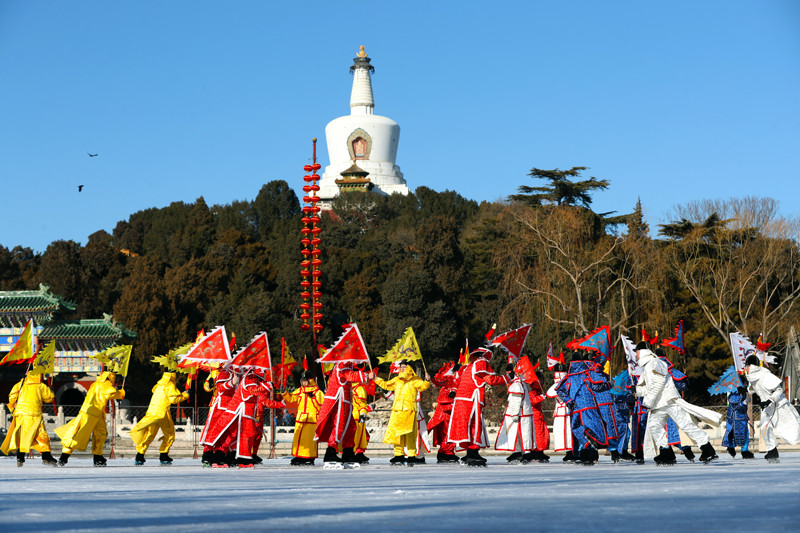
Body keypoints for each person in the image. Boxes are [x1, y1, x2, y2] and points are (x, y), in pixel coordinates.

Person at [635, 342, 720, 464]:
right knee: (654, 426)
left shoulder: (655, 363)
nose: (636, 355)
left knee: (685, 424)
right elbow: (650, 387)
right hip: (659, 404)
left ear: (642, 351)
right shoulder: (648, 366)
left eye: (637, 351)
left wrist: (648, 401)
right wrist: (637, 391)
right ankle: (666, 452)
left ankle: (707, 449)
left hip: (669, 400)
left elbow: (658, 383)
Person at [446, 348, 509, 466]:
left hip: (462, 400)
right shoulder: (481, 362)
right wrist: (508, 377)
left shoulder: (467, 366)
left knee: (466, 427)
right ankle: (473, 452)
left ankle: (470, 451)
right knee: (475, 425)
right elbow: (490, 379)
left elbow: (457, 381)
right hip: (471, 399)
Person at [555, 352, 618, 465]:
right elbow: (596, 387)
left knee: (577, 430)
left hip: (575, 408)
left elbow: (559, 389)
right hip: (590, 406)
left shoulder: (568, 378)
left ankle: (584, 451)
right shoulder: (587, 375)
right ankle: (591, 450)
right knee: (593, 429)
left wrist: (568, 401)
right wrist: (609, 385)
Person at [55, 371, 125, 466]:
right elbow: (109, 393)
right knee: (77, 434)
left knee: (100, 433)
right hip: (91, 413)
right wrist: (120, 393)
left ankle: (98, 457)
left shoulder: (95, 383)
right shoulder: (106, 383)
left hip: (95, 412)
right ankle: (64, 456)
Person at [743, 354, 800, 463]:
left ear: (753, 366)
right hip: (767, 407)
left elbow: (779, 390)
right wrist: (743, 388)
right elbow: (753, 390)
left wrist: (770, 400)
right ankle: (772, 451)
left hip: (779, 406)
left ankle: (773, 451)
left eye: (747, 365)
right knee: (765, 427)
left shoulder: (765, 375)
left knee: (792, 428)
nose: (746, 368)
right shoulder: (752, 377)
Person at [373, 360, 431, 466]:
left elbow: (423, 386)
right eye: (401, 367)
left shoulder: (415, 380)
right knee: (396, 434)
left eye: (404, 366)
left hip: (409, 410)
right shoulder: (397, 379)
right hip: (397, 410)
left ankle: (411, 455)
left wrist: (427, 381)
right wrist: (375, 378)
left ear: (410, 368)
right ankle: (398, 455)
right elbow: (386, 385)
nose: (402, 369)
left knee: (410, 433)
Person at [314, 361, 370, 465]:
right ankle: (331, 451)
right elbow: (348, 374)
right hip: (339, 399)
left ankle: (348, 452)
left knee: (351, 427)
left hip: (346, 400)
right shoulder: (343, 363)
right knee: (338, 425)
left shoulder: (348, 363)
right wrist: (366, 375)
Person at [129, 372, 189, 466]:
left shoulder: (159, 385)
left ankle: (140, 455)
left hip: (152, 412)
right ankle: (164, 455)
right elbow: (173, 400)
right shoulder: (170, 385)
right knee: (169, 434)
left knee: (149, 434)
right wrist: (185, 395)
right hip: (163, 413)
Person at [1, 374, 58, 467]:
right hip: (35, 413)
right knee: (41, 435)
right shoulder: (40, 385)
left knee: (24, 435)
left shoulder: (20, 384)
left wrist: (13, 408)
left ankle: (21, 456)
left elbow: (11, 397)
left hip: (21, 414)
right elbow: (48, 398)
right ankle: (46, 456)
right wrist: (51, 391)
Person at [495, 363, 536, 463]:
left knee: (524, 433)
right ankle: (518, 451)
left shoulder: (516, 384)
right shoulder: (518, 382)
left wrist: (514, 413)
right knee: (516, 434)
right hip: (520, 413)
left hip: (521, 414)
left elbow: (517, 400)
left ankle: (526, 453)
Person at [284, 371, 326, 465]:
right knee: (299, 439)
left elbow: (322, 405)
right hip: (301, 418)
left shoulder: (317, 392)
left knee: (309, 440)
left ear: (310, 381)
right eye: (302, 381)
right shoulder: (300, 390)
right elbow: (291, 398)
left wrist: (313, 398)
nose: (303, 383)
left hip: (311, 419)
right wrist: (284, 392)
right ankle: (299, 456)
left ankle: (309, 457)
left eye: (305, 381)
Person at [428, 361, 462, 463]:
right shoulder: (447, 386)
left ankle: (447, 453)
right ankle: (446, 453)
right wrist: (453, 395)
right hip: (445, 414)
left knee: (450, 434)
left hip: (450, 413)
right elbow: (443, 399)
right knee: (448, 434)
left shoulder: (452, 384)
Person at [546, 363, 575, 462]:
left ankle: (571, 452)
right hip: (565, 411)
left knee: (567, 432)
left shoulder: (563, 384)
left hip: (563, 411)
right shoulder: (568, 383)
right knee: (566, 432)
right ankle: (569, 452)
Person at [722, 383, 753, 459]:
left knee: (745, 433)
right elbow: (734, 405)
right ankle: (731, 447)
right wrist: (744, 402)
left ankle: (745, 451)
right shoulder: (733, 392)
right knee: (732, 433)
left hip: (742, 417)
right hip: (733, 418)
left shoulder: (743, 391)